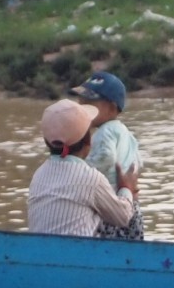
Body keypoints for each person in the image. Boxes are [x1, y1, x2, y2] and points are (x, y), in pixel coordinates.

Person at [28, 98, 139, 237]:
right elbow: (123, 217)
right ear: (88, 141)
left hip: (38, 255)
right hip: (74, 257)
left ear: (47, 142)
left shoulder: (39, 174)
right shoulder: (91, 179)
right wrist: (126, 188)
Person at [72, 71, 145, 241]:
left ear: (112, 108)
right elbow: (137, 162)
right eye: (81, 101)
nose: (81, 106)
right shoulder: (125, 133)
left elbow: (106, 157)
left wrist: (81, 167)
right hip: (131, 204)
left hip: (112, 205)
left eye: (89, 102)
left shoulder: (105, 133)